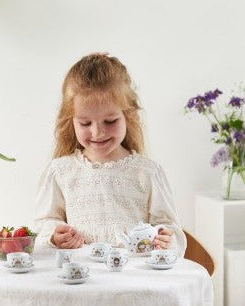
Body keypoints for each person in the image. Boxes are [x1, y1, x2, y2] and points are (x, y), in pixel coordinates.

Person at [34, 53, 186, 257]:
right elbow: (44, 225)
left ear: (128, 116)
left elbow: (170, 229)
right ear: (71, 121)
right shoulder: (61, 172)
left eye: (110, 121)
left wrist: (165, 238)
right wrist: (55, 236)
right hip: (81, 281)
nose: (97, 132)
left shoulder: (147, 172)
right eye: (85, 123)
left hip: (134, 281)